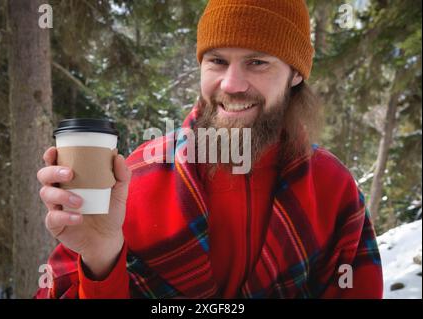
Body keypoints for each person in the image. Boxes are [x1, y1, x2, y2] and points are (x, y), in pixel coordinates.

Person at [35, 0, 383, 299]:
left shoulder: (333, 189)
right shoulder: (132, 180)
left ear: (295, 75)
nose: (231, 84)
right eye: (217, 61)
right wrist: (100, 259)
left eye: (257, 62)